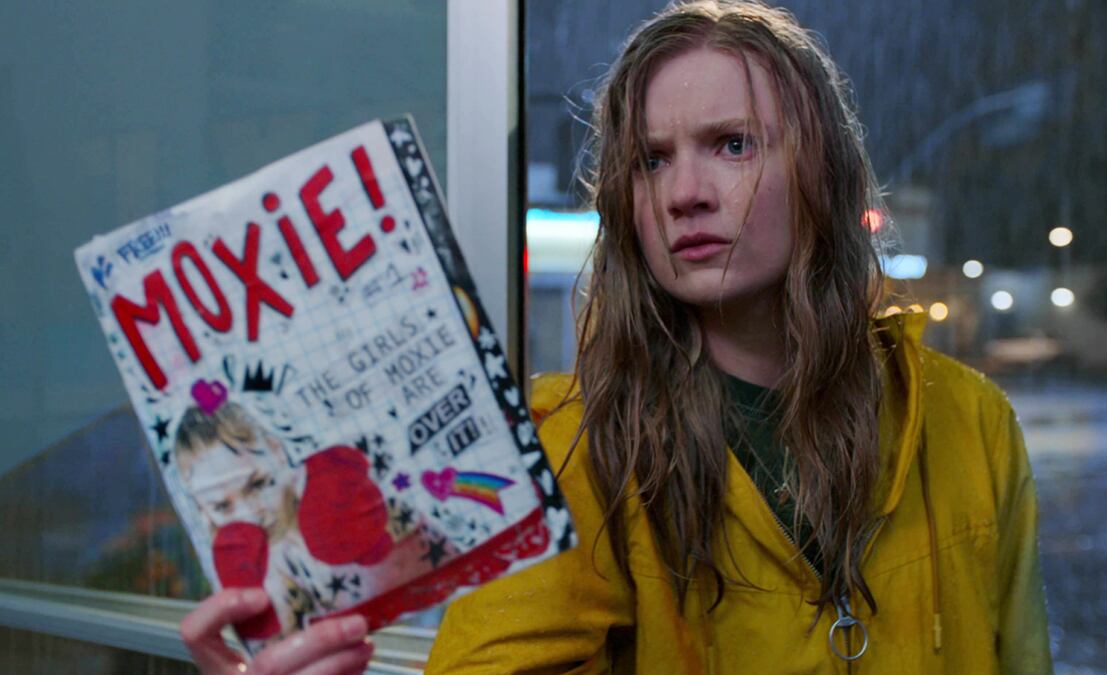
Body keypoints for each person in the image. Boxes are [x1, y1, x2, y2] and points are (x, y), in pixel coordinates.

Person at [426, 1, 1051, 673]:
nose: (684, 193)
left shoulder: (972, 422)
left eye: (732, 145)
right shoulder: (576, 447)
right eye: (651, 160)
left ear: (820, 170)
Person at [177, 398, 454, 672]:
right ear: (202, 510)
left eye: (258, 484)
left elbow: (440, 561)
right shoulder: (247, 571)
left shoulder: (341, 492)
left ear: (277, 451)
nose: (250, 513)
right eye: (222, 506)